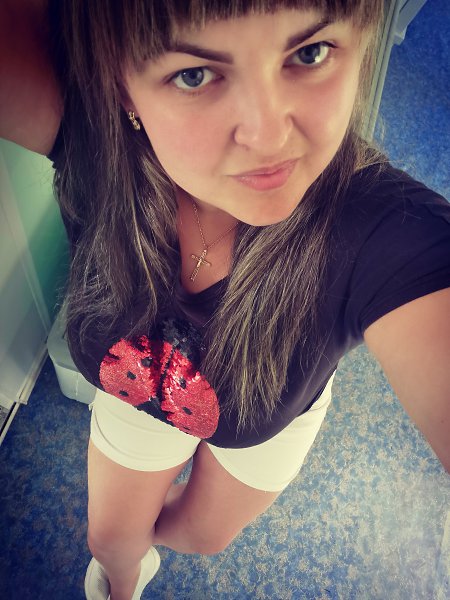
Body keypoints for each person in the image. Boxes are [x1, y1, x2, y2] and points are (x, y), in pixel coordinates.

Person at [1, 1, 449, 599]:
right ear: (122, 87)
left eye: (310, 53)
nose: (268, 136)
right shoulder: (90, 133)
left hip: (275, 413)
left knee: (203, 537)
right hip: (142, 395)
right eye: (194, 74)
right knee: (110, 544)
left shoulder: (386, 229)